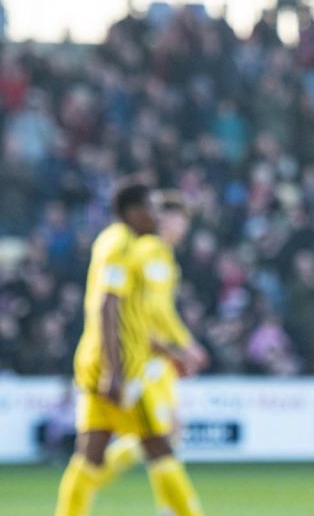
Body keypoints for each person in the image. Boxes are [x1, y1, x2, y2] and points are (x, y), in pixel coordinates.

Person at [54, 179, 203, 516]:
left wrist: (177, 347)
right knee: (160, 445)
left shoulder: (123, 244)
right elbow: (108, 306)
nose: (158, 216)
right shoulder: (124, 247)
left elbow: (141, 311)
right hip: (123, 364)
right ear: (132, 212)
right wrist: (116, 369)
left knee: (91, 454)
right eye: (152, 209)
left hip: (109, 362)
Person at [93, 191, 209, 497]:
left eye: (183, 221)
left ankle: (165, 505)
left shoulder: (166, 259)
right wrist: (176, 347)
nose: (179, 226)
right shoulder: (144, 252)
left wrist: (185, 344)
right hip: (145, 355)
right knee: (159, 438)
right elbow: (143, 312)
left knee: (167, 436)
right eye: (174, 218)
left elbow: (163, 311)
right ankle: (90, 479)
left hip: (158, 356)